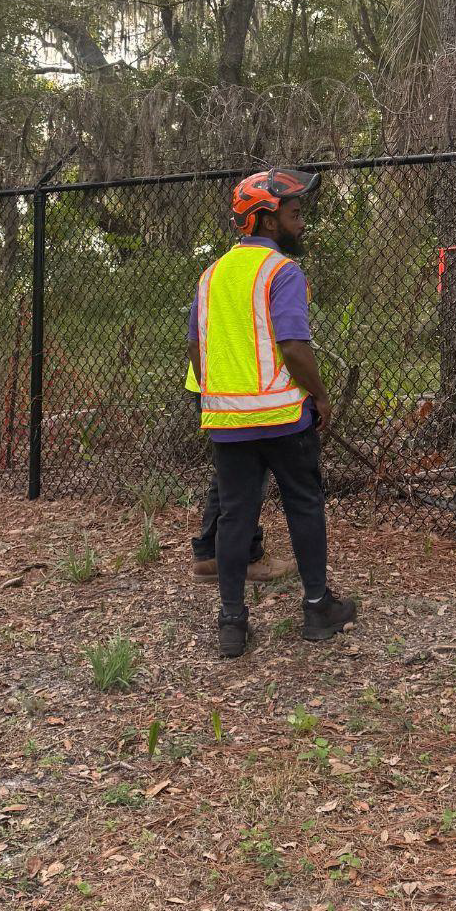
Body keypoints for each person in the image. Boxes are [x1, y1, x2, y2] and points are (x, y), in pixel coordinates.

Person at [187, 167, 357, 658]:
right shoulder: (283, 272)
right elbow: (292, 344)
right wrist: (320, 396)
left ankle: (233, 623)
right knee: (304, 504)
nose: (301, 223)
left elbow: (196, 349)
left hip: (227, 422)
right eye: (295, 213)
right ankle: (317, 608)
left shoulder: (211, 274)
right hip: (283, 418)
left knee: (236, 516)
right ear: (266, 220)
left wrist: (216, 397)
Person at [185, 359, 292, 581]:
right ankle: (246, 557)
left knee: (230, 471)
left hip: (215, 378)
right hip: (238, 381)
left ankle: (211, 555)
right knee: (250, 470)